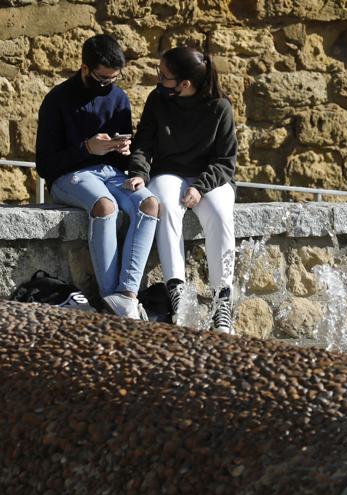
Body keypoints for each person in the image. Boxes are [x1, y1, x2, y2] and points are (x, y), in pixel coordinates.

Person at [36, 34, 159, 320]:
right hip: (70, 176)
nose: (107, 85)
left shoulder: (118, 98)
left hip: (110, 172)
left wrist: (124, 149)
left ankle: (126, 295)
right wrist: (87, 148)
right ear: (84, 69)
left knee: (149, 204)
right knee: (105, 206)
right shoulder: (57, 100)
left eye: (113, 78)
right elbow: (45, 165)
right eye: (102, 78)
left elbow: (123, 160)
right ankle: (109, 298)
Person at [125, 46, 238, 333]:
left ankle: (222, 300)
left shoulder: (220, 107)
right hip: (169, 172)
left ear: (184, 84)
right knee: (164, 202)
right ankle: (176, 288)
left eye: (164, 76)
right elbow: (143, 143)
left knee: (220, 213)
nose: (158, 80)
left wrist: (200, 187)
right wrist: (139, 173)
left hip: (210, 177)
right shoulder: (158, 100)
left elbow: (225, 162)